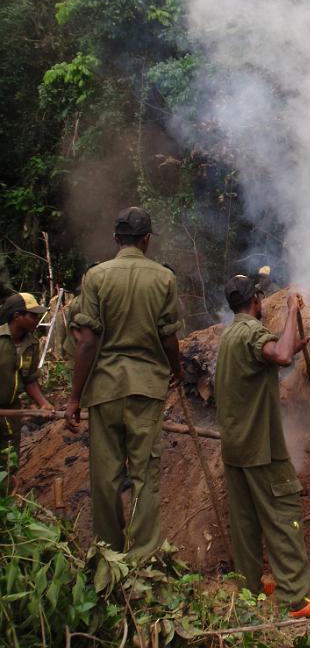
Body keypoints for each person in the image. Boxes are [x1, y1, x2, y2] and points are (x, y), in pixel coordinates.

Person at [65, 206, 182, 559]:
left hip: (105, 389)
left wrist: (74, 397)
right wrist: (176, 371)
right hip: (146, 388)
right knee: (145, 473)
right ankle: (142, 557)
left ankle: (108, 553)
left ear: (117, 238)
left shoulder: (96, 277)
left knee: (105, 475)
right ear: (146, 240)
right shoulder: (164, 279)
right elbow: (168, 339)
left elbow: (87, 342)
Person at [215, 275, 310, 618]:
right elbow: (279, 354)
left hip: (235, 446)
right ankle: (295, 600)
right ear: (256, 301)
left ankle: (249, 591)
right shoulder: (251, 331)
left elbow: (272, 356)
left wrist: (292, 346)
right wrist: (292, 309)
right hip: (260, 446)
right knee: (283, 513)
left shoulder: (230, 334)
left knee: (245, 521)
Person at [0, 293, 54, 479]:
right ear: (17, 316)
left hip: (11, 412)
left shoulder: (31, 343)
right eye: (33, 315)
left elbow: (29, 379)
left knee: (9, 462)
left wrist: (43, 404)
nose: (37, 319)